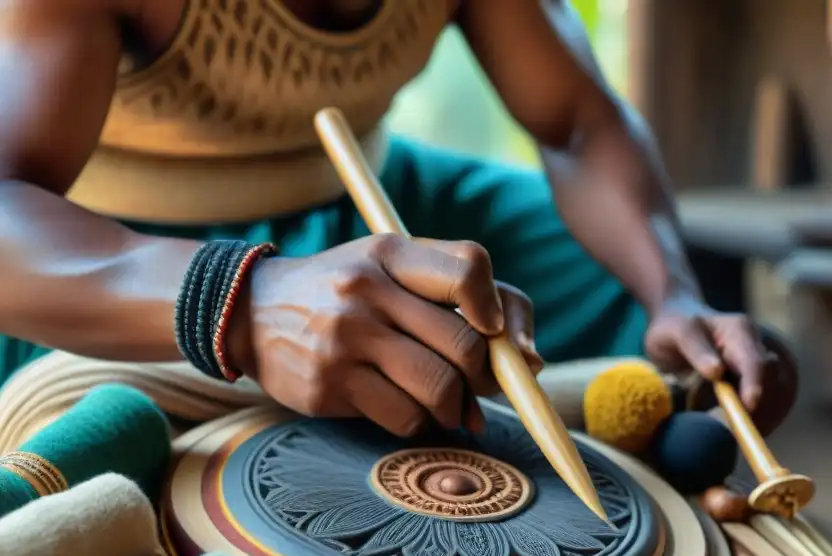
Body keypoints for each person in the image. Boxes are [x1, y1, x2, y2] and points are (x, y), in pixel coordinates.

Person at [0, 0, 790, 439]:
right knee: (110, 445)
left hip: (374, 192)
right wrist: (243, 300)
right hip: (127, 246)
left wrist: (672, 293)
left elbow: (580, 122)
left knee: (622, 292)